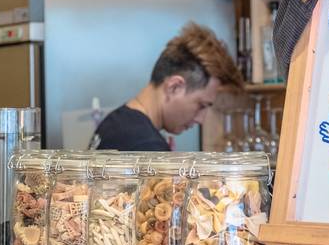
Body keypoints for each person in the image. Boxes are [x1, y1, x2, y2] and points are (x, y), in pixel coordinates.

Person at [91, 23, 244, 151]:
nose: (201, 119)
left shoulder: (117, 122)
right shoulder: (146, 146)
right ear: (174, 87)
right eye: (201, 105)